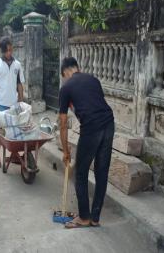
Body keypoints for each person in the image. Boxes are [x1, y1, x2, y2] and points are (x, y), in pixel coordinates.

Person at [58, 57, 115, 228]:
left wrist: (66, 151)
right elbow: (95, 104)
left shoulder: (66, 87)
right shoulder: (93, 80)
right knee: (101, 172)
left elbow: (62, 123)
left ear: (65, 72)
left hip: (91, 128)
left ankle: (84, 217)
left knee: (80, 173)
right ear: (77, 68)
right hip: (109, 124)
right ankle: (95, 217)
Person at [0, 37, 25, 168]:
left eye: (11, 50)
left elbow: (20, 84)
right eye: (7, 50)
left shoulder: (17, 65)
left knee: (15, 131)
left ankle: (14, 154)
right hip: (1, 104)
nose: (10, 53)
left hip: (14, 104)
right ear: (3, 51)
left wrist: (21, 103)